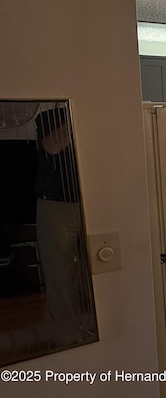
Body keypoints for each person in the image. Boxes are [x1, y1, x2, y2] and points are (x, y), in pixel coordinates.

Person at [34, 107, 83, 345]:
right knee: (59, 274)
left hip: (92, 204)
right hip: (55, 205)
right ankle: (67, 335)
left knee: (95, 270)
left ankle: (96, 326)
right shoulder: (49, 116)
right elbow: (52, 145)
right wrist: (82, 117)